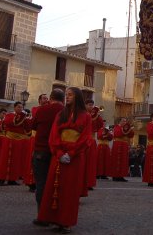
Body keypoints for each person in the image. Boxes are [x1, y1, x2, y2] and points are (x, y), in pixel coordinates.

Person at [37, 87, 91, 234]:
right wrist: (59, 153)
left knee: (70, 190)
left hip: (74, 158)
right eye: (66, 95)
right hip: (59, 156)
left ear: (77, 97)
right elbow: (54, 135)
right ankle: (54, 219)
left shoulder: (85, 116)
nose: (67, 97)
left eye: (70, 95)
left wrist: (71, 153)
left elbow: (85, 138)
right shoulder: (61, 114)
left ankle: (66, 221)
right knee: (55, 188)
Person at [31, 88, 64, 221]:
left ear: (50, 98)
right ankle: (58, 217)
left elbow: (33, 126)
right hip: (60, 153)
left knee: (41, 184)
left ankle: (42, 216)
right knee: (60, 184)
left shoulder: (42, 110)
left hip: (41, 151)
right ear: (63, 99)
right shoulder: (67, 112)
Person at [0, 102, 32, 186]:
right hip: (10, 139)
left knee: (16, 160)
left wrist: (28, 120)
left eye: (21, 107)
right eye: (19, 107)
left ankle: (12, 179)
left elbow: (27, 128)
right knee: (5, 159)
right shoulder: (9, 115)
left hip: (18, 141)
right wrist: (23, 117)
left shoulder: (24, 117)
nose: (20, 109)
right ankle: (1, 179)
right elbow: (12, 123)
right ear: (14, 107)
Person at [85, 99, 103, 190]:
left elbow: (100, 126)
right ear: (85, 105)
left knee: (91, 163)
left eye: (92, 105)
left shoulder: (95, 116)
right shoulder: (82, 114)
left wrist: (98, 115)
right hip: (84, 140)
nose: (91, 107)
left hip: (92, 140)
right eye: (89, 105)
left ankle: (89, 183)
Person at [110, 118, 134, 182]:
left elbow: (131, 135)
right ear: (119, 121)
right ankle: (115, 176)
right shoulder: (117, 127)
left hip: (124, 145)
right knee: (116, 160)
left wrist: (130, 130)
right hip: (118, 145)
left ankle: (121, 176)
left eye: (125, 121)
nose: (124, 122)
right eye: (123, 121)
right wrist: (127, 130)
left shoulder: (126, 128)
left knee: (124, 161)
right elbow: (118, 134)